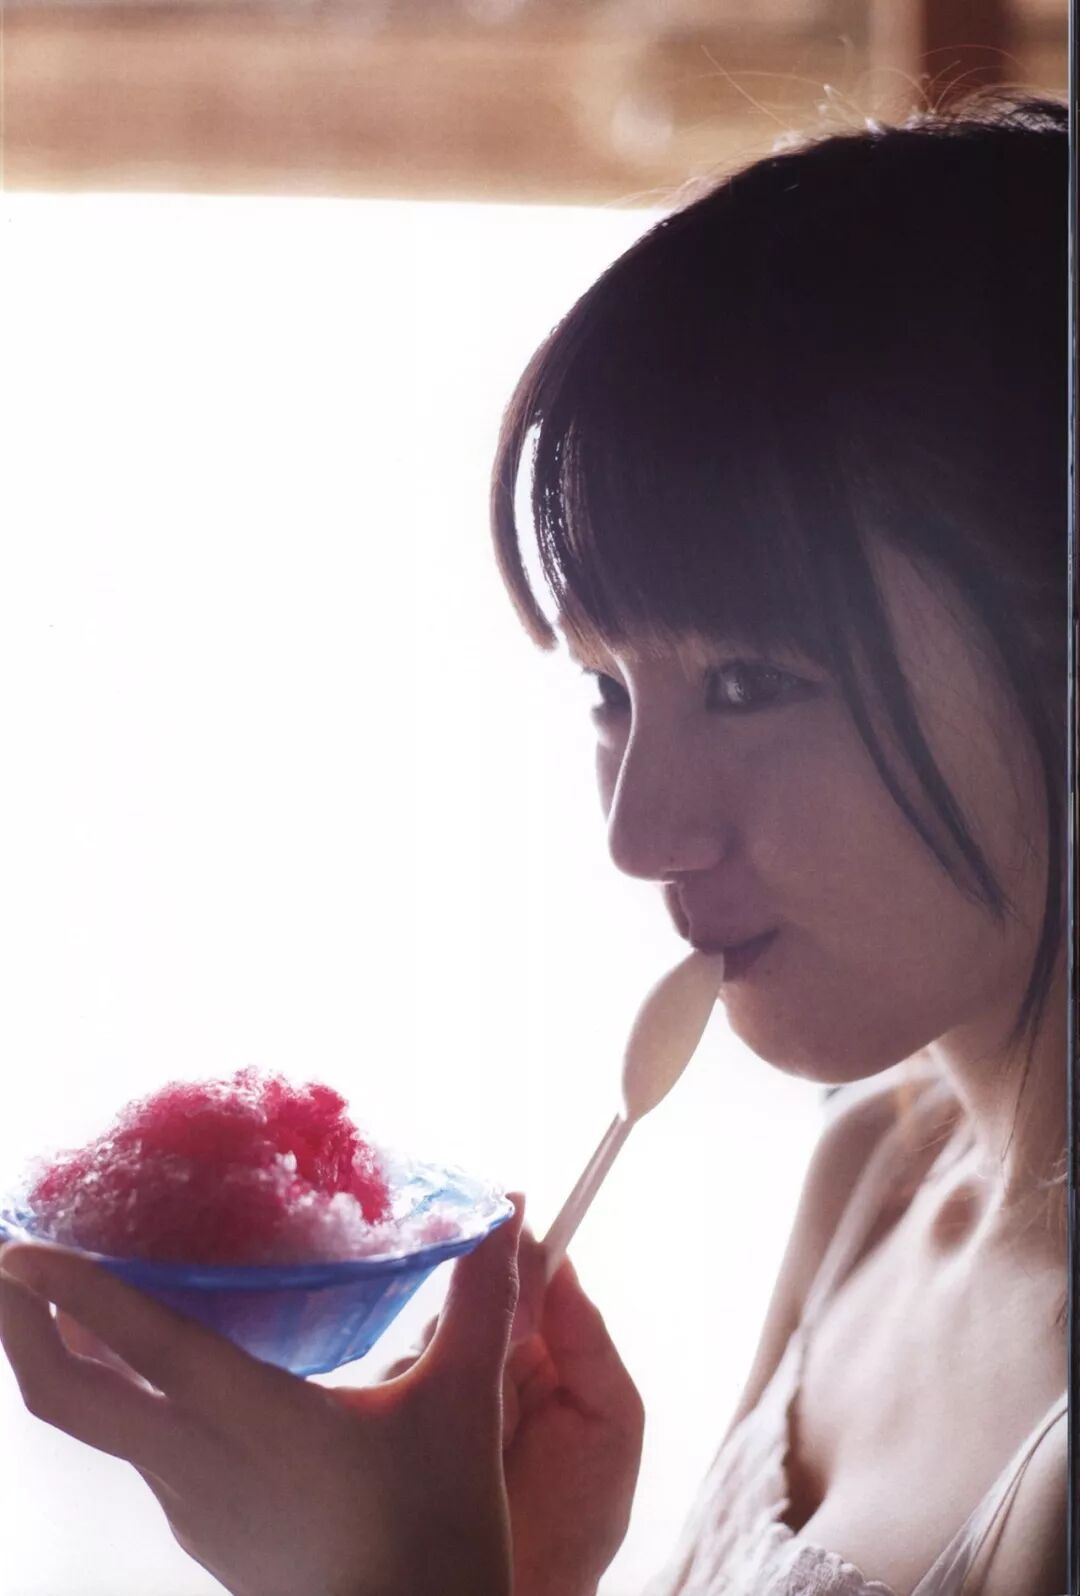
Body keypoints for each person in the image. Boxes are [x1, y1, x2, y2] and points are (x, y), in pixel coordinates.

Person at [0, 90, 1068, 1596]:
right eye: (608, 691)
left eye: (750, 683)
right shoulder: (876, 1179)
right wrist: (521, 1571)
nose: (641, 835)